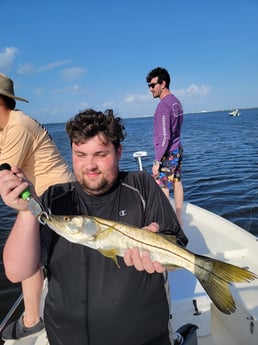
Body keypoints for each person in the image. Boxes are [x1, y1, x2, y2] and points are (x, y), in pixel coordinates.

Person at [0, 109, 188, 345]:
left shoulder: (142, 186)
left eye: (100, 154)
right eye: (80, 154)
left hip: (145, 337)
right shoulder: (54, 199)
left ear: (118, 152)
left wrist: (157, 251)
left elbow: (175, 244)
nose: (90, 166)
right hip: (66, 337)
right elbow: (17, 272)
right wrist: (27, 209)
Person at [0, 72, 74, 340]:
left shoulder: (17, 126)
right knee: (35, 253)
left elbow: (5, 174)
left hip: (53, 197)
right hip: (45, 196)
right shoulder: (8, 127)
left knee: (30, 256)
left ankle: (32, 320)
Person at [146, 67, 184, 226]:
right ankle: (179, 218)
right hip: (177, 149)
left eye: (152, 85)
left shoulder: (164, 105)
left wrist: (157, 161)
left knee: (163, 186)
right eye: (148, 85)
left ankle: (166, 221)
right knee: (177, 182)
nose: (150, 89)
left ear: (163, 83)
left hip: (167, 152)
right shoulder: (176, 102)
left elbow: (165, 136)